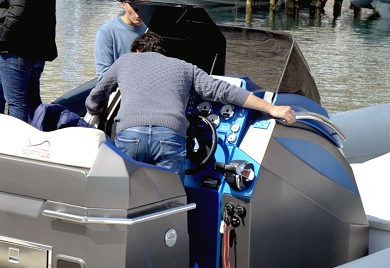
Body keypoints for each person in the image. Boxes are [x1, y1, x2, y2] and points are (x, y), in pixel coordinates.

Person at [86, 31, 297, 171]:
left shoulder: (125, 60)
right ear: (163, 53)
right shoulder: (184, 67)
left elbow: (96, 96)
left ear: (137, 50)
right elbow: (223, 90)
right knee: (170, 201)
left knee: (127, 196)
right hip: (169, 135)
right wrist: (271, 108)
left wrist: (94, 109)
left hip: (130, 134)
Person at [94, 0, 149, 75]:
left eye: (144, 5)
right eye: (134, 5)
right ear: (123, 4)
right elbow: (104, 75)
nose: (139, 11)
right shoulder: (106, 32)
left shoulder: (154, 30)